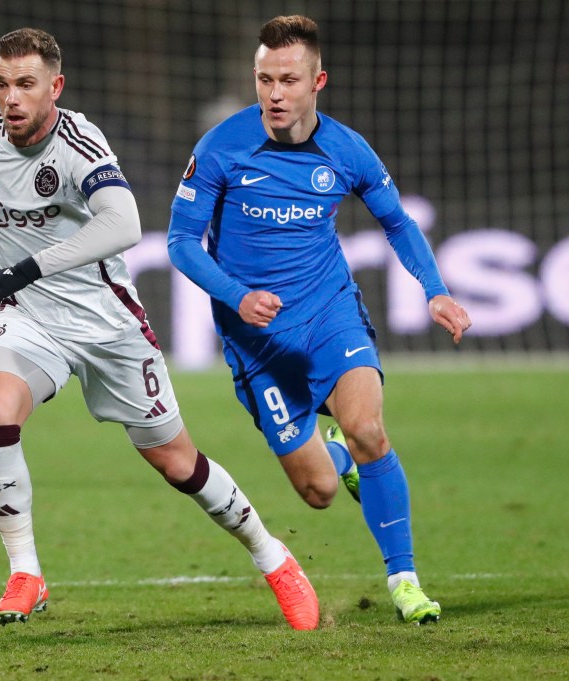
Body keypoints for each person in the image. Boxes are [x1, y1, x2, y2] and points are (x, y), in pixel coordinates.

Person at [0, 27, 319, 630]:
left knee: (178, 463)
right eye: (1, 84)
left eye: (25, 84)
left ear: (55, 87)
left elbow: (123, 224)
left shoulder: (79, 143)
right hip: (32, 319)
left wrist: (26, 266)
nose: (11, 98)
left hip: (107, 323)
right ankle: (26, 572)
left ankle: (274, 558)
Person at [167, 15, 472, 625]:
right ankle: (338, 460)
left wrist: (435, 290)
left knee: (369, 430)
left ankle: (405, 580)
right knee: (319, 493)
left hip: (330, 313)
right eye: (263, 80)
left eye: (287, 80)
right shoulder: (222, 147)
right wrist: (236, 295)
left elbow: (398, 222)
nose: (274, 93)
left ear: (317, 81)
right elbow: (180, 242)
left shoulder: (348, 149)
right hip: (256, 343)